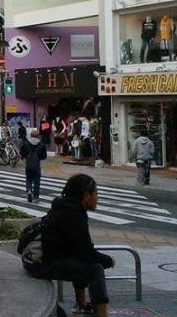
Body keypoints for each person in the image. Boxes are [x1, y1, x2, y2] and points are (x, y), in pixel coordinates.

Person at [37, 174, 115, 317]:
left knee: (82, 262)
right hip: (46, 264)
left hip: (45, 260)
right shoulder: (73, 214)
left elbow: (80, 250)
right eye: (95, 193)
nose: (97, 198)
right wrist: (108, 260)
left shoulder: (65, 208)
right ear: (86, 196)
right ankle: (102, 314)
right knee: (95, 269)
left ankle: (82, 304)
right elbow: (87, 253)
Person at [19, 129, 48, 202]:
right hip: (37, 165)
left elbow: (22, 153)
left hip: (28, 164)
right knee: (36, 181)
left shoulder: (25, 143)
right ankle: (36, 197)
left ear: (31, 135)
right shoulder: (41, 145)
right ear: (38, 136)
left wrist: (26, 157)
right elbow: (44, 156)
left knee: (28, 179)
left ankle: (29, 190)